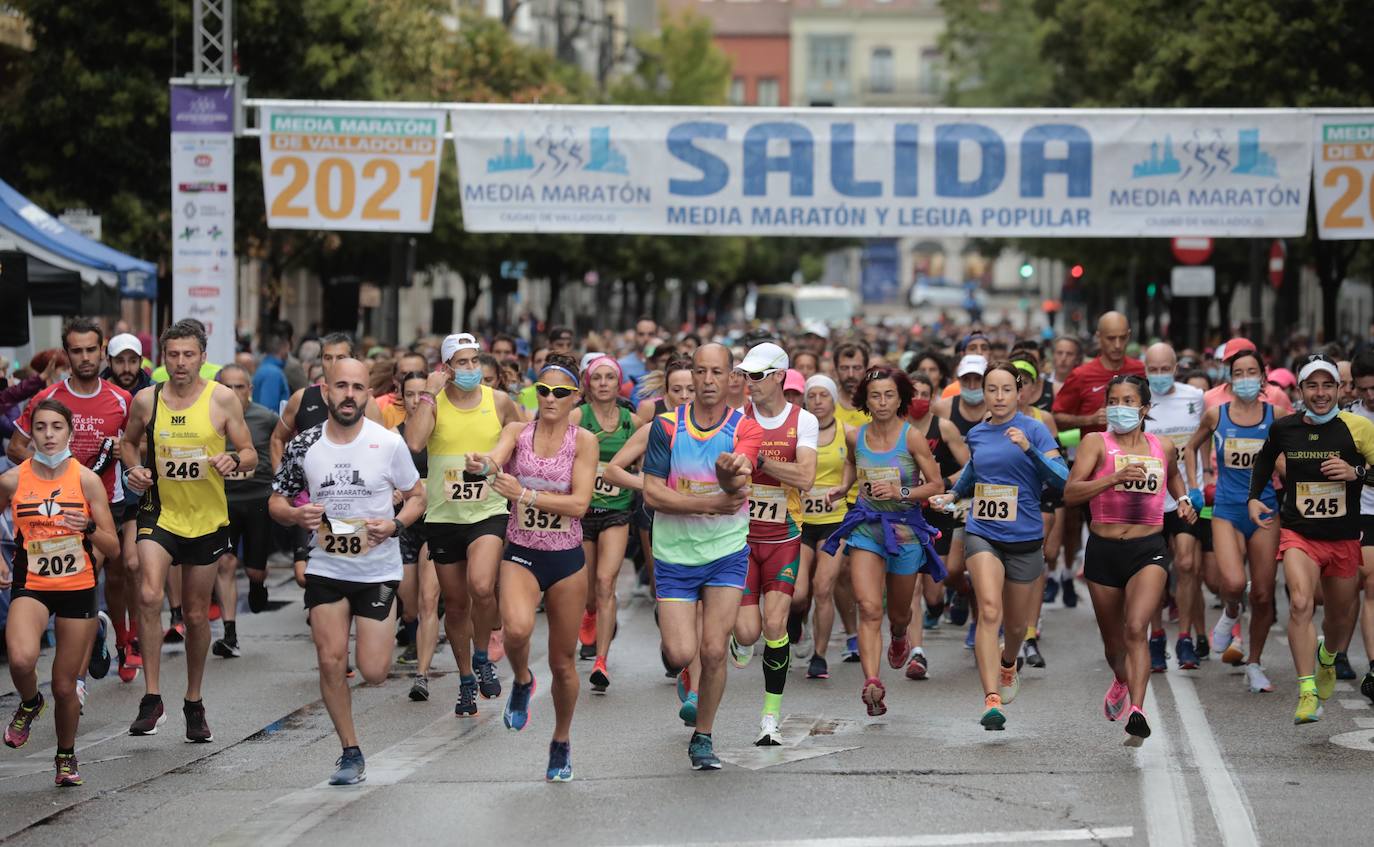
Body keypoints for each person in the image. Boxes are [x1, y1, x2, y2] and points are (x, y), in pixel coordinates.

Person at [269, 359, 425, 784]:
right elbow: (277, 500)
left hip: (377, 569)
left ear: (367, 394)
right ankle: (350, 751)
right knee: (330, 659)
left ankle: (377, 644)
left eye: (358, 387)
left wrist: (395, 525)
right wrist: (295, 515)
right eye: (341, 386)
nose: (350, 395)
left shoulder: (387, 443)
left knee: (374, 670)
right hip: (327, 566)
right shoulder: (305, 444)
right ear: (326, 391)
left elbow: (417, 496)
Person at [120, 319, 258, 742]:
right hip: (159, 513)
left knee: (197, 614)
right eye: (173, 355)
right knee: (149, 593)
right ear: (163, 358)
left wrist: (234, 460)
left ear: (202, 357)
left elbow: (250, 453)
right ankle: (151, 697)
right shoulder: (148, 399)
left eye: (188, 355)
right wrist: (134, 469)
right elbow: (128, 442)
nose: (180, 362)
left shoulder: (221, 399)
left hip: (205, 519)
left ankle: (193, 700)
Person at [463, 354, 596, 781]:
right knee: (517, 630)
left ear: (575, 397)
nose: (550, 398)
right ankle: (521, 679)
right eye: (543, 390)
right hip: (522, 551)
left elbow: (579, 504)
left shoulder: (584, 441)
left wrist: (525, 496)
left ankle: (561, 740)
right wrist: (482, 464)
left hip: (567, 559)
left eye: (560, 392)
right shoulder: (518, 432)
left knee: (563, 663)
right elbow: (494, 459)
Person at [642, 343, 762, 770]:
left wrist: (729, 477)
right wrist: (709, 504)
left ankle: (703, 736)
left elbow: (739, 479)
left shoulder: (745, 428)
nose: (708, 380)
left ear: (732, 378)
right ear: (691, 376)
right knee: (679, 653)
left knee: (712, 652)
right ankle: (684, 655)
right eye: (701, 371)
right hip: (674, 554)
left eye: (717, 372)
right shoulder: (666, 426)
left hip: (726, 551)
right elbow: (652, 492)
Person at [932, 363, 1067, 731]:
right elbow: (975, 470)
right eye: (992, 389)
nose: (999, 396)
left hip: (1025, 537)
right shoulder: (977, 432)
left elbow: (1062, 479)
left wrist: (1029, 450)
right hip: (983, 532)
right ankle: (991, 698)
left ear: (1019, 393)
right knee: (989, 610)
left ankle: (1009, 663)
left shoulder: (1035, 429)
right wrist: (953, 495)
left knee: (1017, 626)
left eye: (1007, 389)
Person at [1065, 375, 1196, 746]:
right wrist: (1113, 478)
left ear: (1144, 409)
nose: (1119, 408)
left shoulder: (1162, 446)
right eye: (1113, 401)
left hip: (1148, 548)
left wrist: (1183, 501)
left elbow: (1174, 478)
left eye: (1128, 401)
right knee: (1114, 646)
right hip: (1104, 550)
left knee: (1137, 627)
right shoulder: (1095, 443)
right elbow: (1071, 493)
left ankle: (1137, 712)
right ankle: (1121, 679)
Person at [1246, 354, 1374, 724]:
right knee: (1301, 603)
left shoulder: (1358, 427)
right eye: (1312, 386)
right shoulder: (1284, 428)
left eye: (1328, 385)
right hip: (1298, 532)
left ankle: (1328, 658)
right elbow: (1265, 460)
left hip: (1343, 537)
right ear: (1301, 390)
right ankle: (1306, 691)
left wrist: (1356, 472)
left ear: (1339, 389)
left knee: (1338, 618)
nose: (1320, 393)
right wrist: (1254, 497)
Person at [0, 399, 120, 786]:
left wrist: (88, 527)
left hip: (77, 586)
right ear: (31, 433)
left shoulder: (86, 480)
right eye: (40, 427)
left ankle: (66, 756)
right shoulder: (12, 480)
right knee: (21, 659)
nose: (49, 435)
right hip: (32, 583)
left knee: (66, 686)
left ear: (70, 432)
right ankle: (31, 702)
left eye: (56, 427)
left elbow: (114, 547)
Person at [8, 318, 132, 690]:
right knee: (74, 583)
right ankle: (88, 642)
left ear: (102, 350)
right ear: (67, 354)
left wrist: (129, 457)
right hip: (53, 511)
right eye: (76, 351)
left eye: (91, 349)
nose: (85, 357)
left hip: (103, 504)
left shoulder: (121, 399)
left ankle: (80, 672)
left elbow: (136, 446)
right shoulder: (48, 399)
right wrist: (47, 473)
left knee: (96, 574)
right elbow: (16, 447)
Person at [405, 332, 524, 716]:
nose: (471, 368)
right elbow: (414, 442)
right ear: (447, 368)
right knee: (455, 605)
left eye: (474, 361)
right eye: (462, 362)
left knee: (482, 585)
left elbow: (522, 437)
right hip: (444, 516)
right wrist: (428, 393)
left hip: (488, 511)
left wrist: (505, 468)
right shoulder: (434, 402)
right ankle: (466, 679)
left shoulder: (498, 401)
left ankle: (482, 655)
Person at [822, 367, 945, 718]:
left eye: (889, 395)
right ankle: (872, 681)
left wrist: (899, 491)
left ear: (900, 398)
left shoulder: (912, 438)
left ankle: (901, 634)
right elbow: (851, 462)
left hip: (905, 530)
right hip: (867, 526)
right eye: (875, 395)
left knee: (899, 613)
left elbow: (935, 485)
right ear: (865, 399)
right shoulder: (856, 436)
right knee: (869, 606)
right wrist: (844, 487)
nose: (882, 402)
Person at [728, 343, 818, 746]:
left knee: (775, 625)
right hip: (740, 537)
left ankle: (770, 718)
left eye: (758, 375)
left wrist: (760, 461)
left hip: (784, 536)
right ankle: (739, 637)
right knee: (749, 633)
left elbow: (805, 478)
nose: (750, 383)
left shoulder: (803, 420)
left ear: (780, 376)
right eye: (746, 375)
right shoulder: (736, 418)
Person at [1184, 347, 1281, 694]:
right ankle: (1229, 612)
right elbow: (1190, 448)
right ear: (1229, 379)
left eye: (1251, 372)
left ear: (1263, 377)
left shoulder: (1277, 415)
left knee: (1264, 594)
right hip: (1226, 508)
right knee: (1235, 582)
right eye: (1238, 373)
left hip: (1265, 509)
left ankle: (1254, 663)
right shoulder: (1216, 414)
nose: (1245, 379)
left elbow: (1291, 456)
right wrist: (1196, 485)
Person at [1053, 313, 1144, 606]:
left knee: (1137, 532)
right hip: (1097, 471)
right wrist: (1089, 419)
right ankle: (1102, 587)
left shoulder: (1139, 370)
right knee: (1101, 533)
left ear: (1129, 336)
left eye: (1122, 338)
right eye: (1110, 338)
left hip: (1138, 467)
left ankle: (1135, 591)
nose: (1117, 345)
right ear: (1098, 338)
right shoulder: (1082, 375)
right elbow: (1057, 416)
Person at [573, 356, 639, 692]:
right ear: (587, 383)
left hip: (617, 511)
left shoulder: (632, 421)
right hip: (582, 512)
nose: (602, 383)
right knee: (588, 592)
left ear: (618, 383)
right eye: (596, 377)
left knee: (605, 582)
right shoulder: (577, 417)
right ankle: (589, 613)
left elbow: (648, 458)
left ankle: (601, 660)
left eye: (609, 377)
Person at [1141, 342, 1207, 671]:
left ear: (1176, 368)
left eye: (1165, 369)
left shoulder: (1195, 398)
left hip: (1183, 497)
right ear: (1145, 370)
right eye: (1153, 370)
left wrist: (1203, 478)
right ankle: (1155, 637)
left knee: (1186, 564)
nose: (1159, 375)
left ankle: (1184, 638)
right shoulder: (1136, 399)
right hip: (1148, 499)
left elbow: (1207, 436)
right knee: (1154, 571)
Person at [211, 365, 279, 658]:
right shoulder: (209, 415)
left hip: (258, 498)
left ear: (250, 390)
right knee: (225, 563)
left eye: (240, 386)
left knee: (254, 569)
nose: (234, 392)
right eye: (228, 386)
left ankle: (257, 583)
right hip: (222, 499)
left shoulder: (267, 417)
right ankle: (229, 634)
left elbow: (280, 445)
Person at [906, 371, 970, 677]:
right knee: (913, 585)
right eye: (913, 393)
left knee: (933, 593)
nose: (918, 399)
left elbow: (971, 466)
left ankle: (951, 598)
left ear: (933, 398)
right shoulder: (897, 429)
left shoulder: (943, 427)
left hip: (938, 511)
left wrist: (942, 483)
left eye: (924, 394)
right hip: (906, 512)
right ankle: (916, 653)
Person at [103, 332, 153, 681]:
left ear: (140, 362)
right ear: (110, 361)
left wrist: (131, 447)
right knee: (115, 571)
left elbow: (157, 440)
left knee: (134, 565)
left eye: (132, 360)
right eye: (120, 360)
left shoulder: (152, 394)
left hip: (137, 488)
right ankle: (120, 640)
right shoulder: (100, 391)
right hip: (103, 489)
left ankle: (135, 636)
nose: (126, 367)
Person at [796, 375, 852, 681]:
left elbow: (857, 466)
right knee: (797, 593)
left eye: (824, 395)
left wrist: (845, 487)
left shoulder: (848, 433)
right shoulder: (796, 431)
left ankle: (819, 656)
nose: (818, 401)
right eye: (812, 396)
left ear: (833, 399)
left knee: (823, 587)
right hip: (802, 521)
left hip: (834, 521)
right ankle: (796, 622)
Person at [392, 372, 440, 701]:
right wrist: (392, 490)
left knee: (428, 601)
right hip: (404, 526)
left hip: (435, 522)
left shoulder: (440, 434)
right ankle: (412, 632)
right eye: (409, 394)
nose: (415, 400)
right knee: (409, 607)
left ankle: (421, 675)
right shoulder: (391, 437)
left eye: (421, 394)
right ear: (401, 398)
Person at [1349, 352, 1374, 700]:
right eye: (1364, 388)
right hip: (1364, 512)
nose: (1370, 395)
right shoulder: (1348, 419)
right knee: (1370, 583)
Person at [831, 342, 872, 429]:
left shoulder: (878, 403)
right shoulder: (827, 403)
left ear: (866, 369)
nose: (851, 374)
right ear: (835, 370)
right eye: (844, 368)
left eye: (857, 368)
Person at [251, 333, 292, 414]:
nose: (288, 353)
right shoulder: (272, 373)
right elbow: (268, 410)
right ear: (283, 349)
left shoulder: (265, 368)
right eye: (288, 349)